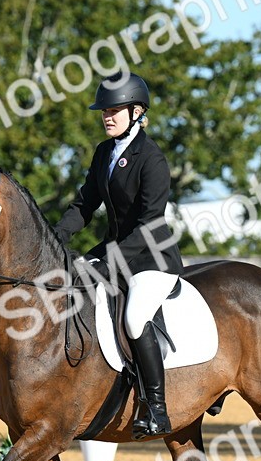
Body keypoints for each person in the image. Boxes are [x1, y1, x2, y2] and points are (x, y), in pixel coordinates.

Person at [54, 72, 184, 439]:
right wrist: (56, 235)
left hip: (150, 258)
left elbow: (150, 224)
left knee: (135, 317)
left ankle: (156, 408)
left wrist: (107, 261)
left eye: (114, 110)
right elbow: (84, 204)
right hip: (114, 251)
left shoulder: (152, 159)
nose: (106, 116)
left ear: (137, 112)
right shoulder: (103, 153)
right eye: (103, 111)